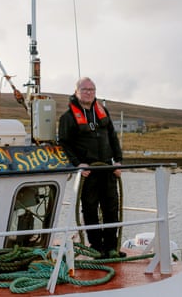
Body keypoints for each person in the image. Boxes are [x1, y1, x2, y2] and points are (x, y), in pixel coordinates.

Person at [58, 77, 123, 258]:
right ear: (76, 91)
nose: (89, 92)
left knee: (111, 208)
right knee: (90, 209)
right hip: (87, 173)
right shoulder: (68, 118)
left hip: (107, 169)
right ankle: (96, 247)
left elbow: (113, 138)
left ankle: (111, 247)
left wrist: (118, 161)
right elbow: (64, 144)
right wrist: (77, 164)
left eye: (92, 89)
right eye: (85, 89)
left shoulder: (103, 113)